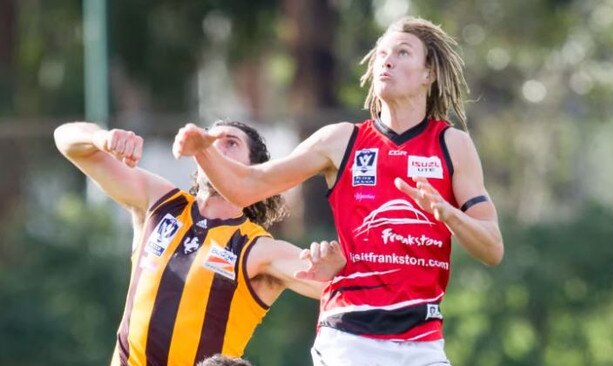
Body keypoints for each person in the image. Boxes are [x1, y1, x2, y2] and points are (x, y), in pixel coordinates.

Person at [173, 16, 504, 366]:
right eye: (381, 54)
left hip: (422, 343)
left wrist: (447, 212)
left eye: (403, 52)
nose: (386, 61)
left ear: (429, 74)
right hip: (351, 338)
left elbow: (493, 248)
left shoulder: (452, 145)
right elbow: (247, 187)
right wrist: (202, 151)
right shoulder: (341, 140)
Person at [53, 120, 345, 366]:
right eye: (209, 139)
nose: (213, 147)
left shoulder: (257, 249)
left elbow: (354, 288)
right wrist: (101, 138)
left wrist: (335, 267)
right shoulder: (160, 203)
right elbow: (65, 139)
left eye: (230, 143)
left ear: (253, 171)